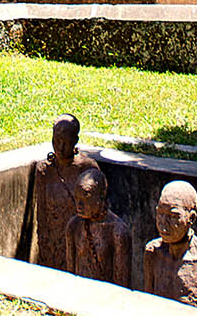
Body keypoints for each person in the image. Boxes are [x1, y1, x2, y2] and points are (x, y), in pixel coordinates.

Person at [143, 180, 197, 313]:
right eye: (160, 214)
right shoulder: (152, 252)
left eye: (173, 216)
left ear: (191, 218)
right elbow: (148, 306)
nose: (163, 223)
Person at [30, 114, 102, 270]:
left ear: (75, 141)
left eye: (66, 142)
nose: (60, 147)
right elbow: (41, 214)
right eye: (56, 141)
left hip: (79, 244)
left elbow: (97, 213)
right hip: (51, 244)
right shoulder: (44, 170)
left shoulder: (87, 169)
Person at [64, 168, 130, 288]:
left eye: (85, 199)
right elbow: (70, 273)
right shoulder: (73, 226)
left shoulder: (118, 231)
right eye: (77, 199)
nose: (79, 206)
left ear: (101, 196)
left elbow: (122, 284)